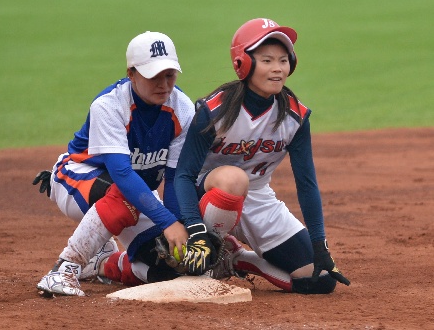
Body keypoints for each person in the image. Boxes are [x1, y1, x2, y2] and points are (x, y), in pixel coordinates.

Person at [173, 18, 351, 294]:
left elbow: (307, 184)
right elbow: (183, 176)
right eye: (267, 60)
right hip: (206, 198)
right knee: (234, 178)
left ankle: (239, 259)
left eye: (283, 60)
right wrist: (195, 227)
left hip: (257, 199)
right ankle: (211, 252)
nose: (278, 68)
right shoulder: (214, 111)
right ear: (243, 63)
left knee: (320, 278)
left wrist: (319, 243)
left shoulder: (295, 118)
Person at [33, 31, 198, 296]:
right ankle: (65, 268)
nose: (163, 84)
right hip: (77, 179)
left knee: (167, 265)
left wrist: (179, 225)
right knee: (126, 194)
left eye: (169, 75)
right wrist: (168, 222)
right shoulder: (110, 105)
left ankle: (102, 263)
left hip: (132, 193)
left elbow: (175, 177)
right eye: (153, 75)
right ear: (131, 73)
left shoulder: (183, 109)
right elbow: (121, 173)